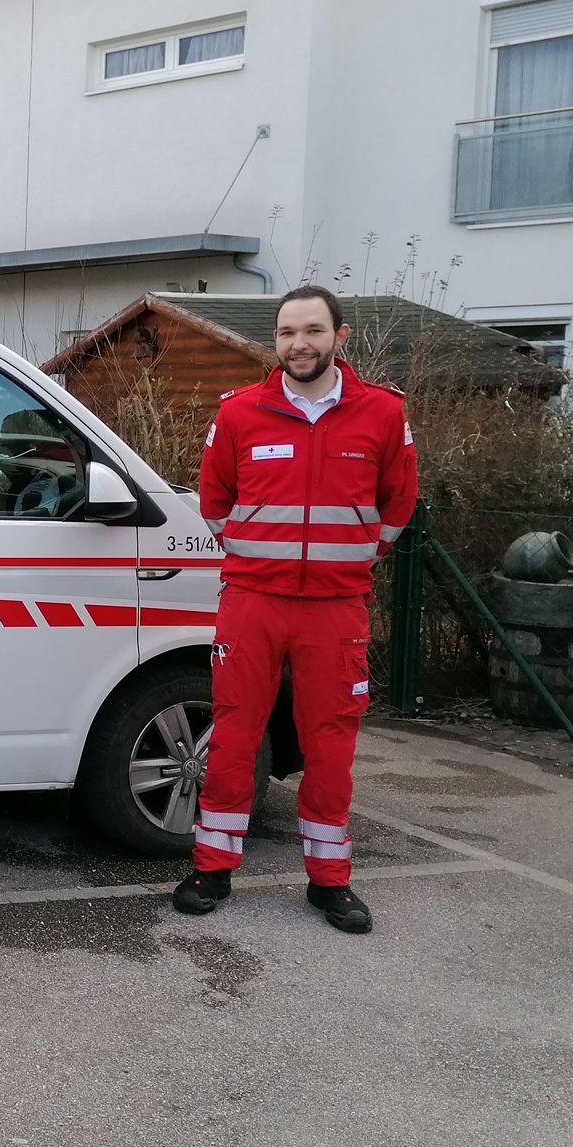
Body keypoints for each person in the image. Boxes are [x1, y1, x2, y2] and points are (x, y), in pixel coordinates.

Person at [173, 285, 419, 933]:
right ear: (274, 341)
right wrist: (265, 563)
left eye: (312, 331)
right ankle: (213, 867)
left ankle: (329, 881)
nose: (298, 344)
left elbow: (398, 504)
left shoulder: (383, 415)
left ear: (341, 337)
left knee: (331, 746)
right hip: (253, 602)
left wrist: (351, 561)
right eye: (286, 333)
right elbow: (216, 502)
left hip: (336, 610)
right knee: (233, 736)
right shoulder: (241, 414)